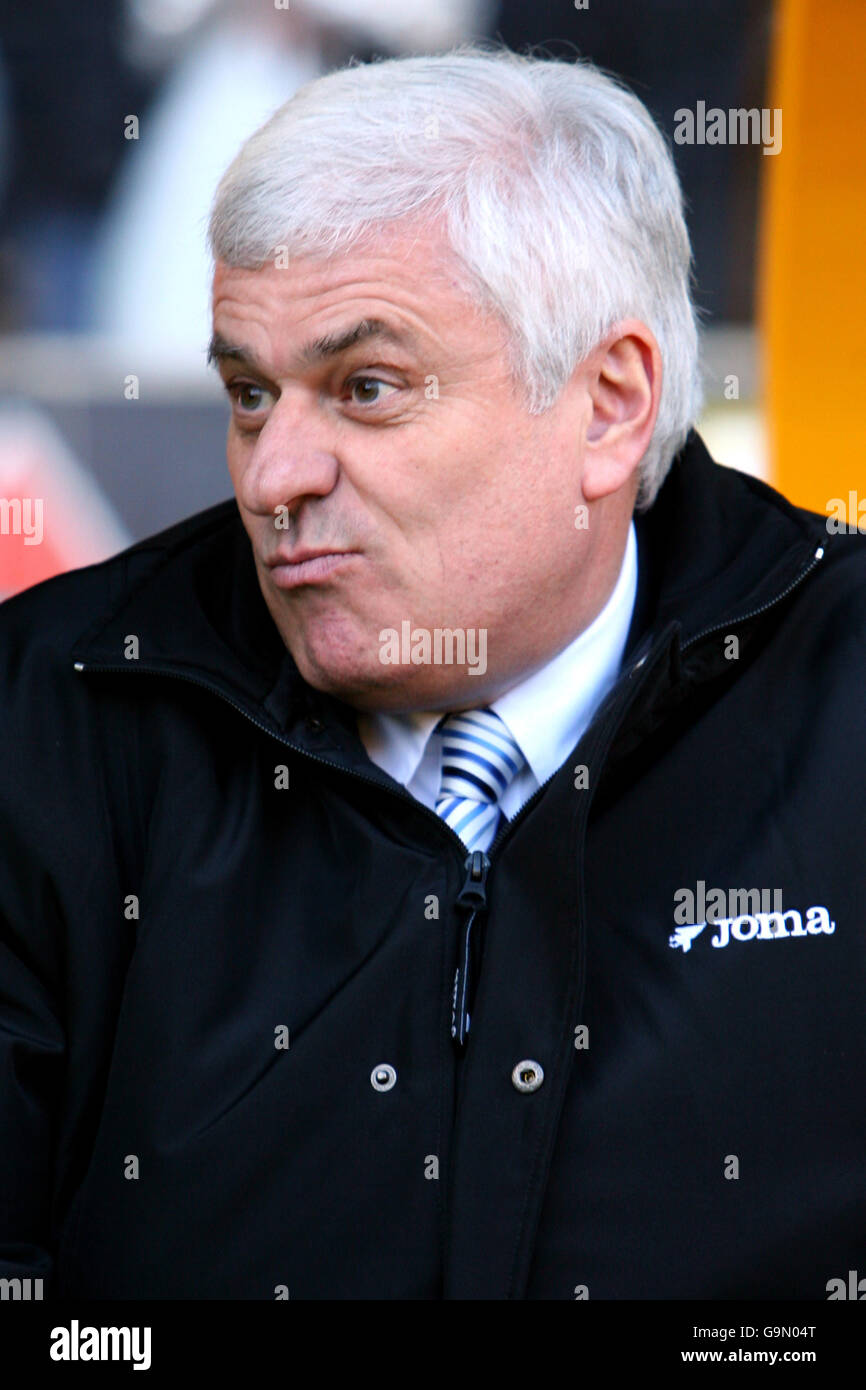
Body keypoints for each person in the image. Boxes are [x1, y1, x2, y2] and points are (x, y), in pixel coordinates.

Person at [0, 45, 863, 1302]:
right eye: (249, 393)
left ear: (608, 404)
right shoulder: (54, 711)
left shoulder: (840, 695)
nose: (271, 476)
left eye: (366, 387)